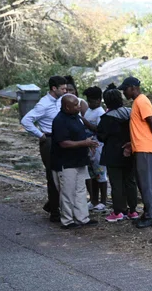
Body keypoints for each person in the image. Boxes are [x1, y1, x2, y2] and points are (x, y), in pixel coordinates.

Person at [118, 77, 152, 228]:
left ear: (132, 87)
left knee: (147, 184)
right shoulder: (137, 102)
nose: (124, 92)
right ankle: (147, 212)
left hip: (146, 149)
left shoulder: (141, 101)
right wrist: (132, 143)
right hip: (141, 147)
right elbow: (142, 128)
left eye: (125, 89)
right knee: (143, 182)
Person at [21, 75, 67, 222]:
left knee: (64, 175)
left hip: (62, 140)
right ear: (54, 88)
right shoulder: (43, 104)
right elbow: (26, 120)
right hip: (49, 140)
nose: (65, 91)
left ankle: (55, 205)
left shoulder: (61, 100)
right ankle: (54, 212)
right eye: (63, 88)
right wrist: (40, 134)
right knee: (52, 176)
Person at [51, 94, 98, 228]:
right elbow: (64, 143)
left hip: (79, 160)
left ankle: (82, 218)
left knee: (80, 190)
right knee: (67, 192)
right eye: (76, 105)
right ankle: (67, 220)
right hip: (65, 163)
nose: (79, 106)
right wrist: (84, 143)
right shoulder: (60, 120)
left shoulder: (76, 117)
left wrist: (88, 145)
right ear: (67, 107)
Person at [97, 87, 138, 222]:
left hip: (113, 154)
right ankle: (132, 210)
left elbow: (101, 137)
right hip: (130, 152)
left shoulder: (107, 118)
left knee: (116, 183)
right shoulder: (130, 113)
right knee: (130, 181)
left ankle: (118, 211)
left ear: (107, 102)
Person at [81, 86, 108, 212]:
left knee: (100, 174)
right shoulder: (89, 111)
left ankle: (103, 201)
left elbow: (99, 129)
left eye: (91, 101)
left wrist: (85, 122)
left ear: (98, 100)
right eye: (88, 101)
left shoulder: (100, 112)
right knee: (92, 174)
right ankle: (93, 199)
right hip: (89, 146)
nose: (89, 103)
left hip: (98, 146)